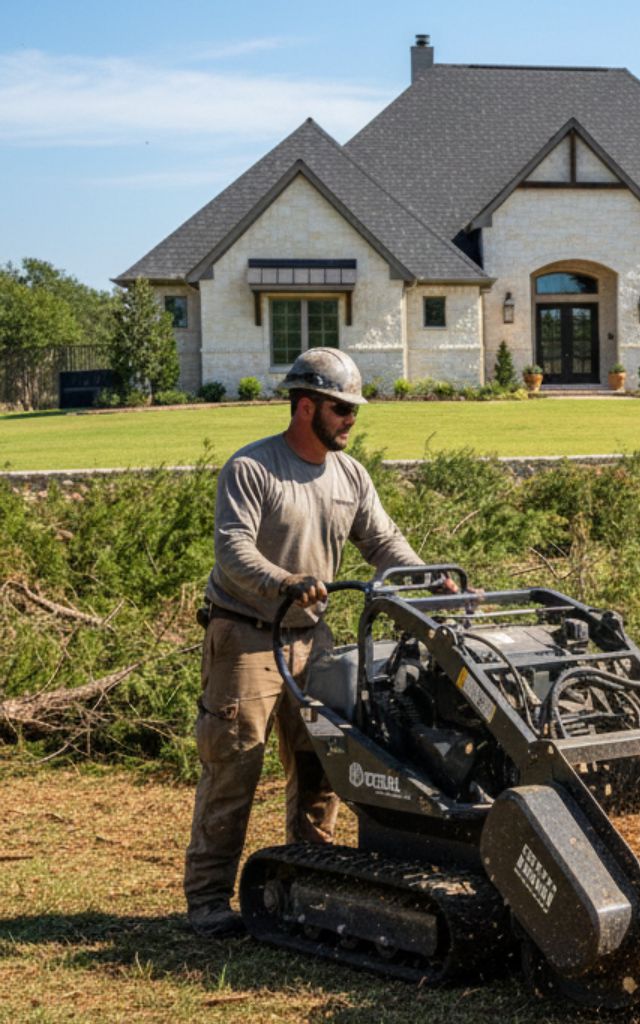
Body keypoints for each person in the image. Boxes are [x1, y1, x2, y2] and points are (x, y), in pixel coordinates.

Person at [184, 347, 442, 939]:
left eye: (353, 409)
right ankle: (207, 901)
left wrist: (431, 580)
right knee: (234, 765)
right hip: (247, 637)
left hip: (313, 636)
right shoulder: (252, 469)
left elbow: (384, 543)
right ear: (305, 406)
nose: (351, 419)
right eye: (341, 408)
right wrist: (286, 582)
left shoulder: (349, 475)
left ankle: (307, 880)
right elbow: (234, 551)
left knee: (326, 760)